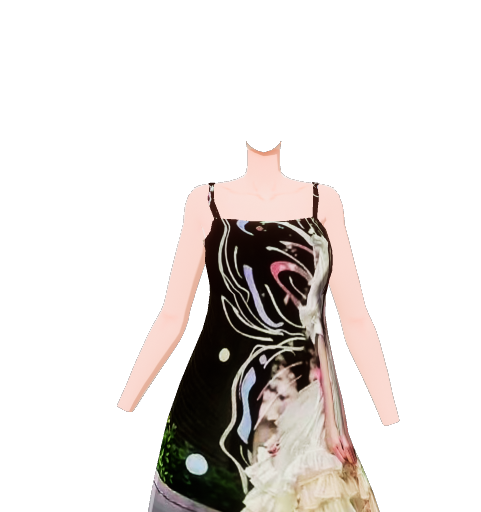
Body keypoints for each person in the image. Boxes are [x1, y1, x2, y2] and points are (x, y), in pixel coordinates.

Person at [118, 142, 399, 511]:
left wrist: (389, 416)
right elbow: (172, 315)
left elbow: (353, 318)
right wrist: (126, 404)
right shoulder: (205, 201)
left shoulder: (323, 202)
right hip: (215, 409)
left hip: (305, 412)